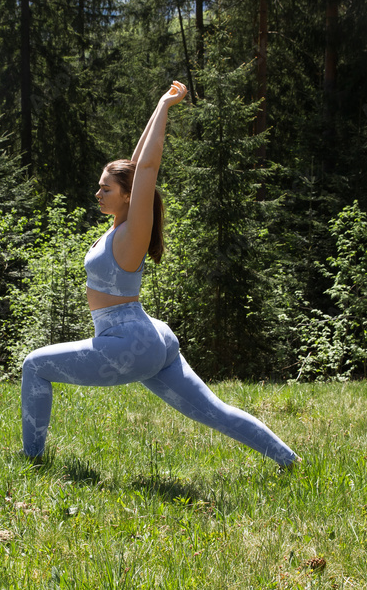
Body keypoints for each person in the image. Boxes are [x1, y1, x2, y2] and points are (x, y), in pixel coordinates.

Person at [20, 80, 300, 468]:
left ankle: (32, 461)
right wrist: (157, 105)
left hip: (128, 339)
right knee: (213, 411)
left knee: (34, 364)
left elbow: (147, 167)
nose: (97, 194)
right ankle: (290, 462)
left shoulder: (134, 232)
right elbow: (138, 164)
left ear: (127, 195)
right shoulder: (120, 226)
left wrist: (167, 109)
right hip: (149, 337)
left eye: (105, 189)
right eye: (98, 188)